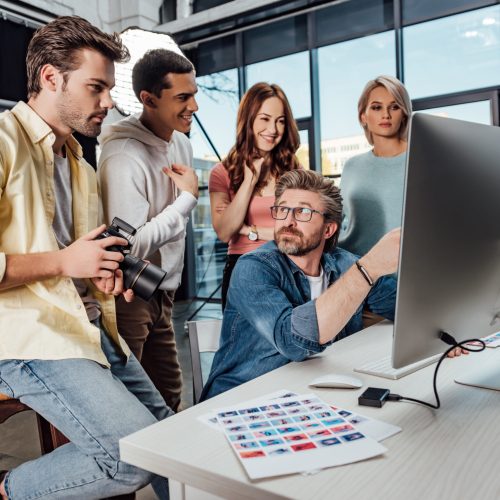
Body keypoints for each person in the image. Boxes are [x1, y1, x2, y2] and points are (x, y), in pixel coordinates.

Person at [0, 17, 171, 499]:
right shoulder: (3, 143)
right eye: (96, 87)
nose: (109, 102)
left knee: (170, 443)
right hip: (25, 338)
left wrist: (100, 274)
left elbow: (80, 261)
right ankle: (11, 491)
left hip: (86, 325)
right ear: (51, 78)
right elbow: (63, 261)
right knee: (128, 457)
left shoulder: (78, 161)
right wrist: (63, 263)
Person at [201, 169, 399, 400]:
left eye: (303, 211)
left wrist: (441, 337)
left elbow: (404, 307)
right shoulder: (252, 268)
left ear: (328, 229)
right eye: (282, 209)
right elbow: (292, 341)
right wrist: (368, 270)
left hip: (311, 394)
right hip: (241, 400)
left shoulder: (345, 264)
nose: (288, 221)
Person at [98, 49, 199, 412]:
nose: (194, 107)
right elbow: (129, 245)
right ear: (148, 99)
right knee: (130, 403)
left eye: (194, 94)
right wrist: (187, 199)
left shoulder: (182, 143)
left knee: (171, 397)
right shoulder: (124, 154)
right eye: (182, 97)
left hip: (164, 292)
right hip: (130, 294)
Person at [209, 82, 301, 309]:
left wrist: (250, 231)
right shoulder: (221, 173)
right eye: (265, 118)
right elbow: (224, 231)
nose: (273, 129)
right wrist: (249, 181)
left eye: (280, 121)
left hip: (289, 266)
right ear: (248, 119)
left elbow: (298, 233)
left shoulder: (294, 172)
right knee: (242, 343)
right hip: (243, 267)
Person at [339, 75, 412, 257]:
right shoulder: (352, 166)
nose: (385, 114)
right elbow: (339, 220)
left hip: (407, 269)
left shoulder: (420, 159)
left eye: (394, 107)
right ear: (363, 116)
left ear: (403, 114)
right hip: (356, 269)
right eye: (377, 107)